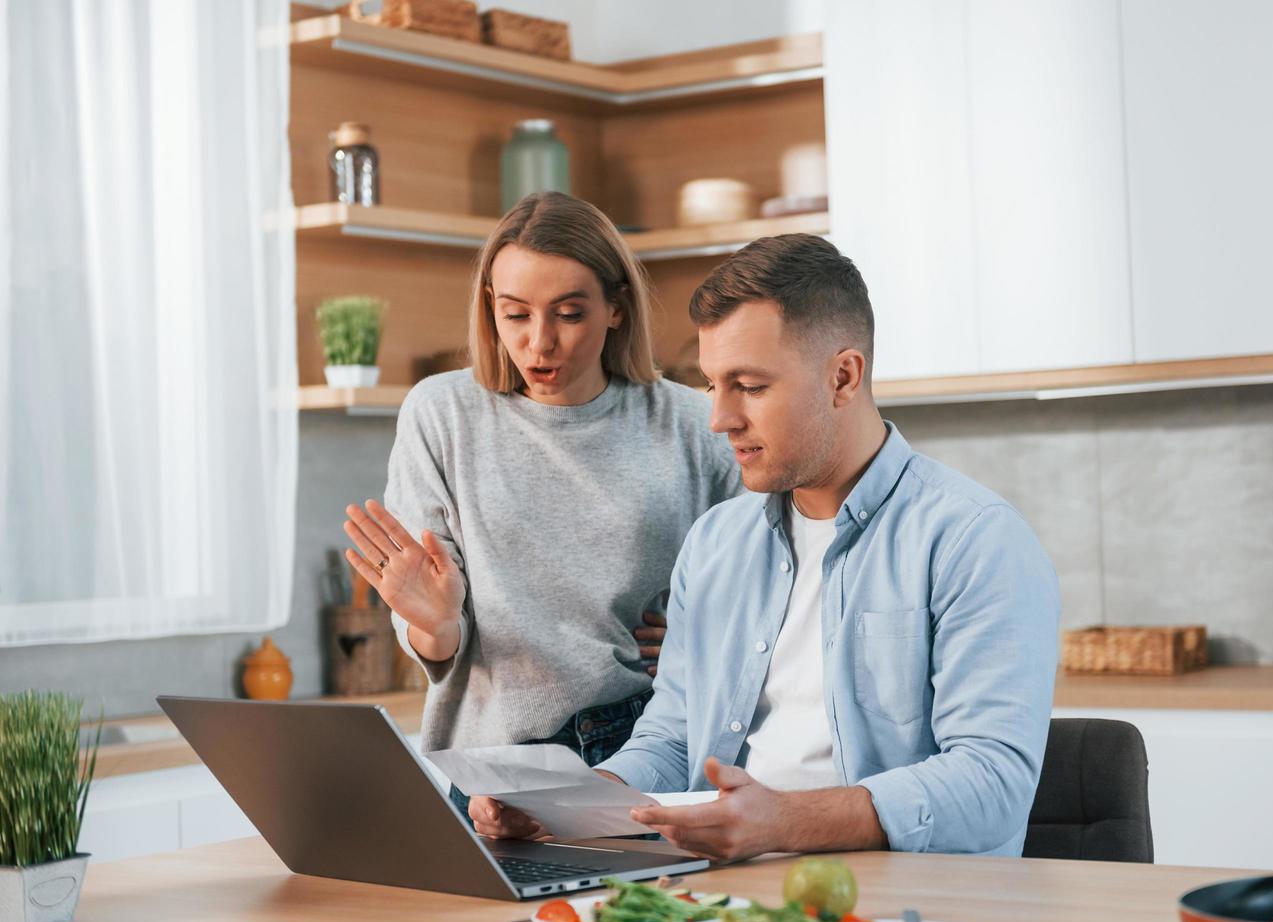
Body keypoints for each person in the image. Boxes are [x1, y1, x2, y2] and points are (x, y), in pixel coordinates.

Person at [471, 232, 1060, 858]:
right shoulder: (716, 543)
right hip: (718, 897)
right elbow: (672, 737)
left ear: (842, 376)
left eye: (749, 386)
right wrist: (568, 807)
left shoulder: (973, 540)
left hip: (906, 909)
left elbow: (992, 782)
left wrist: (785, 822)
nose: (720, 419)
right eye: (712, 386)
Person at [340, 192, 741, 833]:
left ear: (616, 308)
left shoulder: (693, 424)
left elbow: (766, 592)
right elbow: (440, 644)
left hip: (647, 749)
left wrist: (707, 645)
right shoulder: (441, 414)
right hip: (491, 771)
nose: (540, 342)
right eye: (515, 314)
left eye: (569, 313)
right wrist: (433, 623)